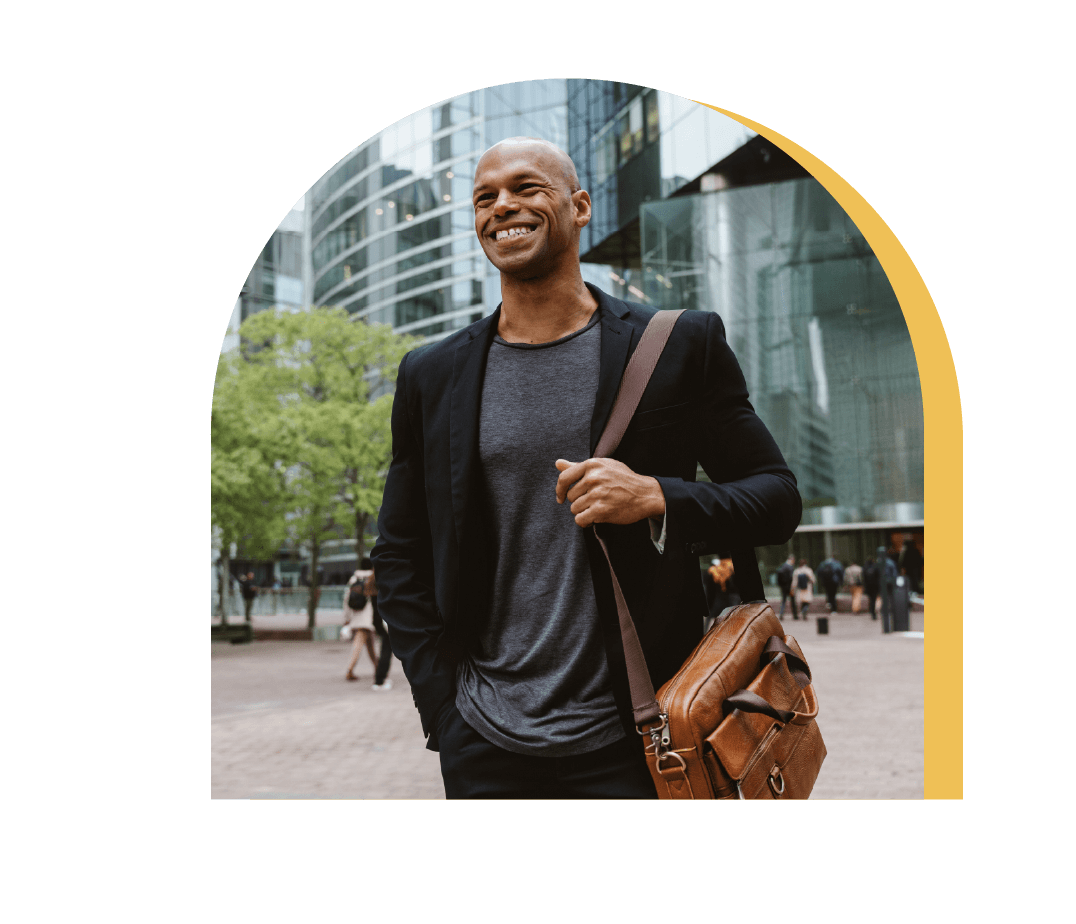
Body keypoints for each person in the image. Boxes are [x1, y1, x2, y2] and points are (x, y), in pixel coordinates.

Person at [372, 137, 801, 799]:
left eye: (525, 187)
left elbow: (777, 499)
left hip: (642, 731)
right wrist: (443, 708)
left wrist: (658, 496)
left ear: (579, 207)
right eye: (485, 197)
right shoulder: (432, 374)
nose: (502, 206)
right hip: (484, 739)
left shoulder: (678, 345)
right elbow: (400, 552)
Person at [343, 558, 380, 682]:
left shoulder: (354, 579)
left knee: (370, 644)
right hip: (369, 616)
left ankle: (378, 668)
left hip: (357, 614)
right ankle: (350, 669)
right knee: (359, 643)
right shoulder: (373, 578)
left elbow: (346, 599)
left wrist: (347, 618)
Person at [369, 554, 393, 691]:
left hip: (377, 620)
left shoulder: (372, 580)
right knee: (386, 649)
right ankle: (379, 680)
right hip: (385, 620)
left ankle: (380, 678)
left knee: (385, 647)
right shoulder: (385, 581)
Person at [705, 556, 740, 622]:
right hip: (728, 599)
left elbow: (710, 592)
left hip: (722, 600)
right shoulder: (729, 569)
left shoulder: (713, 571)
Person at [774, 555, 796, 620]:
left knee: (783, 601)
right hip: (790, 586)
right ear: (791, 559)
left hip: (783, 587)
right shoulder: (790, 567)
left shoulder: (782, 566)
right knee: (792, 601)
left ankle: (781, 614)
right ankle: (795, 615)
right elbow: (792, 577)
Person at [863, 554, 883, 621]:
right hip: (875, 586)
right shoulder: (875, 567)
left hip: (868, 586)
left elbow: (864, 578)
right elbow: (879, 577)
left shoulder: (865, 567)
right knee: (874, 599)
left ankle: (872, 611)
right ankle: (874, 612)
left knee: (871, 599)